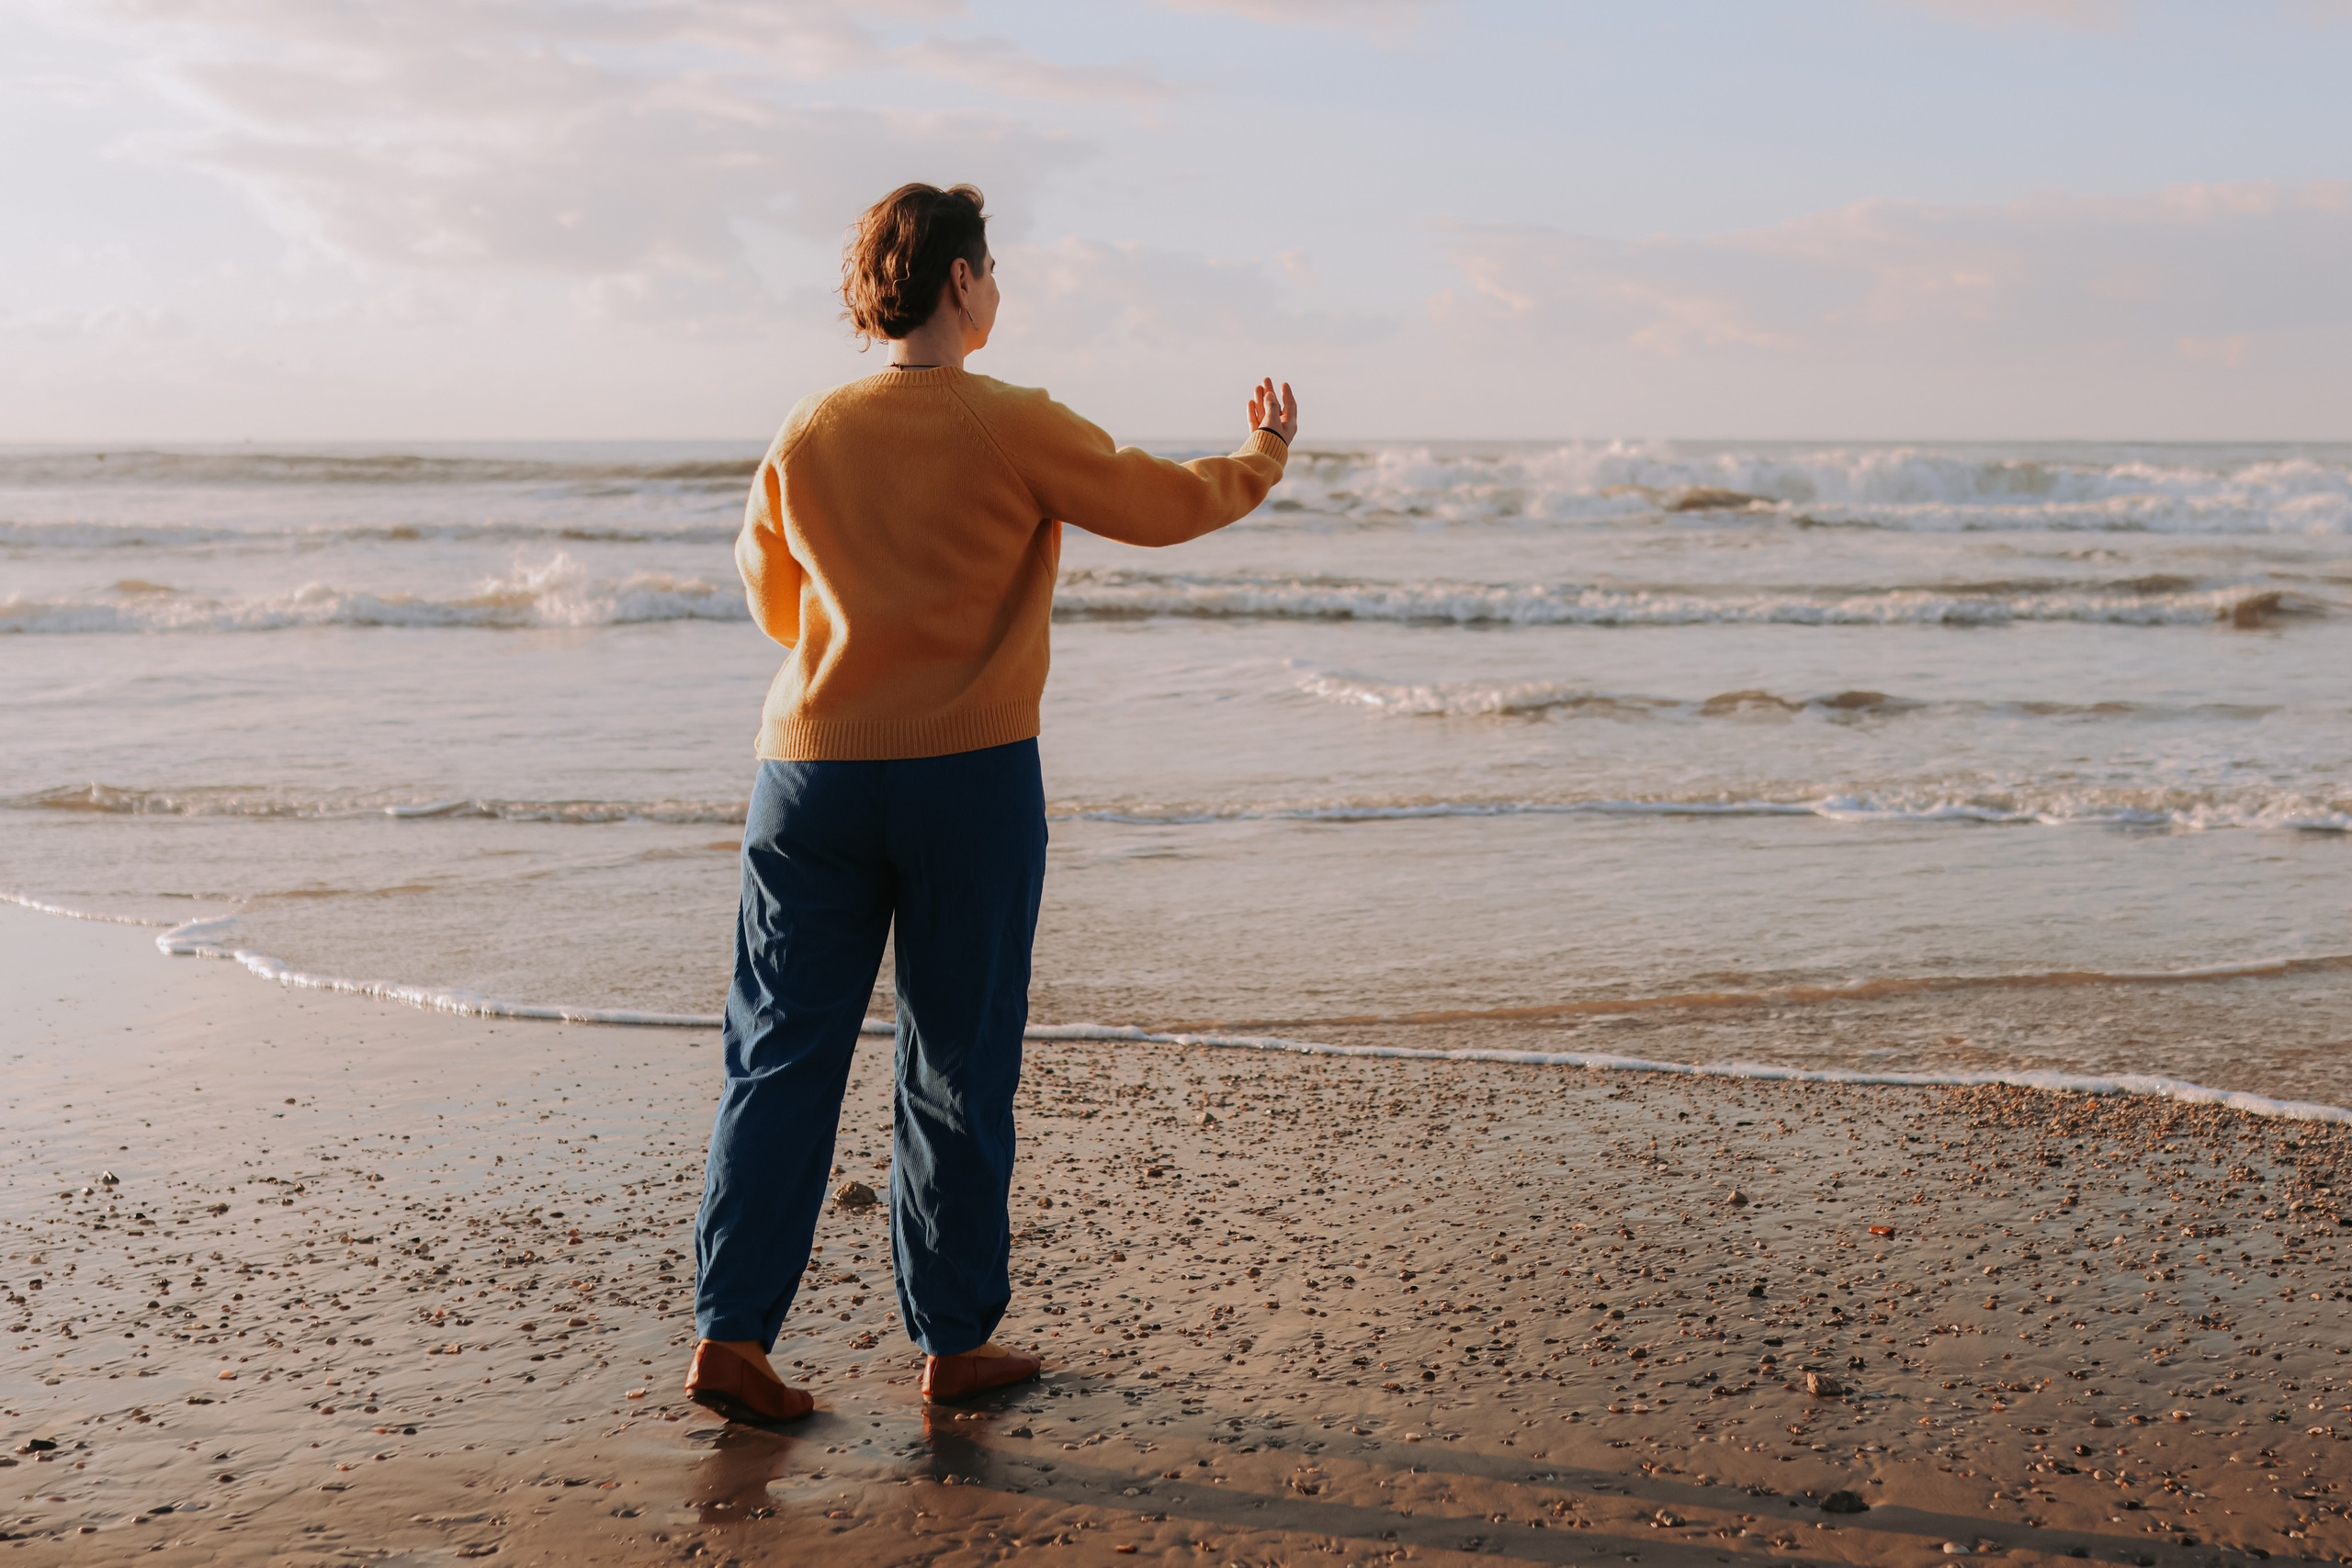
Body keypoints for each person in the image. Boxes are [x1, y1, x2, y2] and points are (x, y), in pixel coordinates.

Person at [684, 181, 1300, 1424]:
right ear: (961, 282)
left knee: (780, 1051)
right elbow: (1160, 505)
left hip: (809, 774)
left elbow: (772, 594)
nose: (998, 288)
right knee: (957, 1058)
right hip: (966, 774)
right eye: (994, 269)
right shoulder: (1011, 421)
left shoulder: (807, 429)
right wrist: (1264, 455)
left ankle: (732, 1338)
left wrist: (856, 653)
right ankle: (952, 1340)